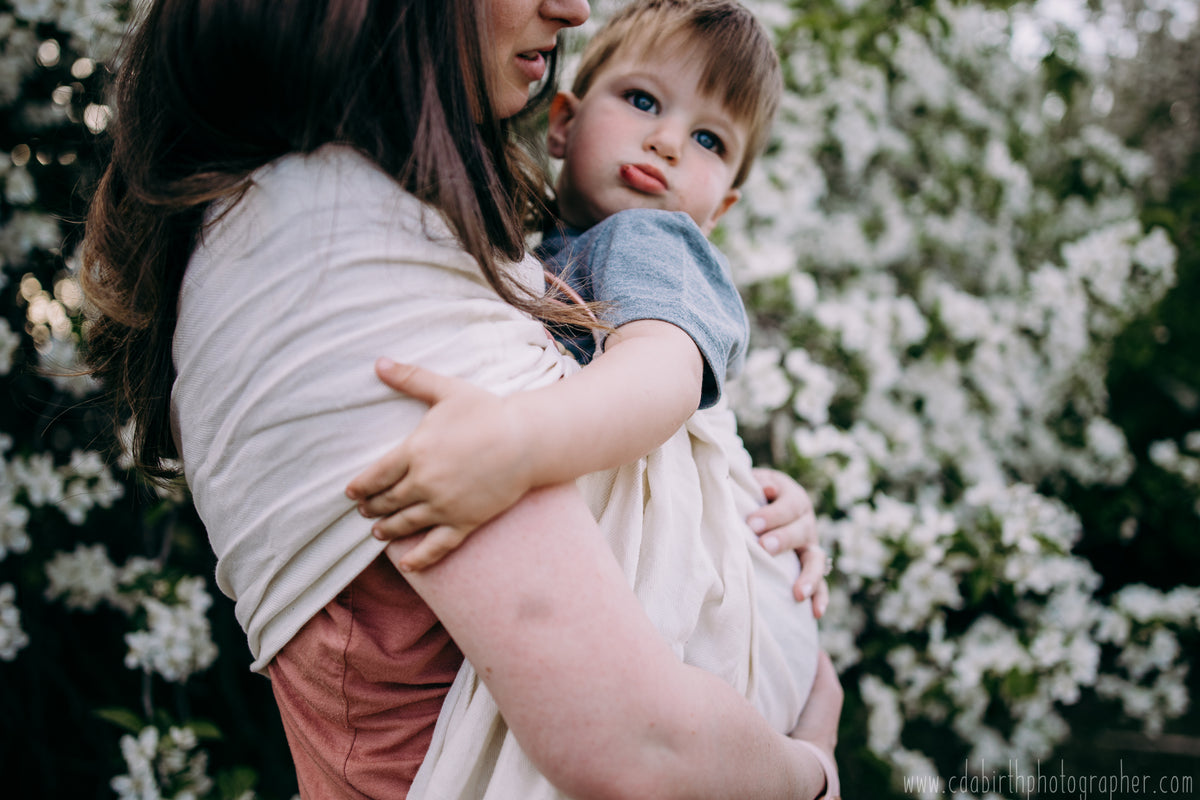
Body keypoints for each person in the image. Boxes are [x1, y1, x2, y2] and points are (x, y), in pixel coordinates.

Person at [81, 1, 842, 799]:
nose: (573, 9)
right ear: (564, 124)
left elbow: (665, 382)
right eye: (643, 102)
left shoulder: (642, 241)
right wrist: (815, 769)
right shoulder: (358, 241)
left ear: (722, 210)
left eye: (710, 140)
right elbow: (633, 746)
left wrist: (728, 496)